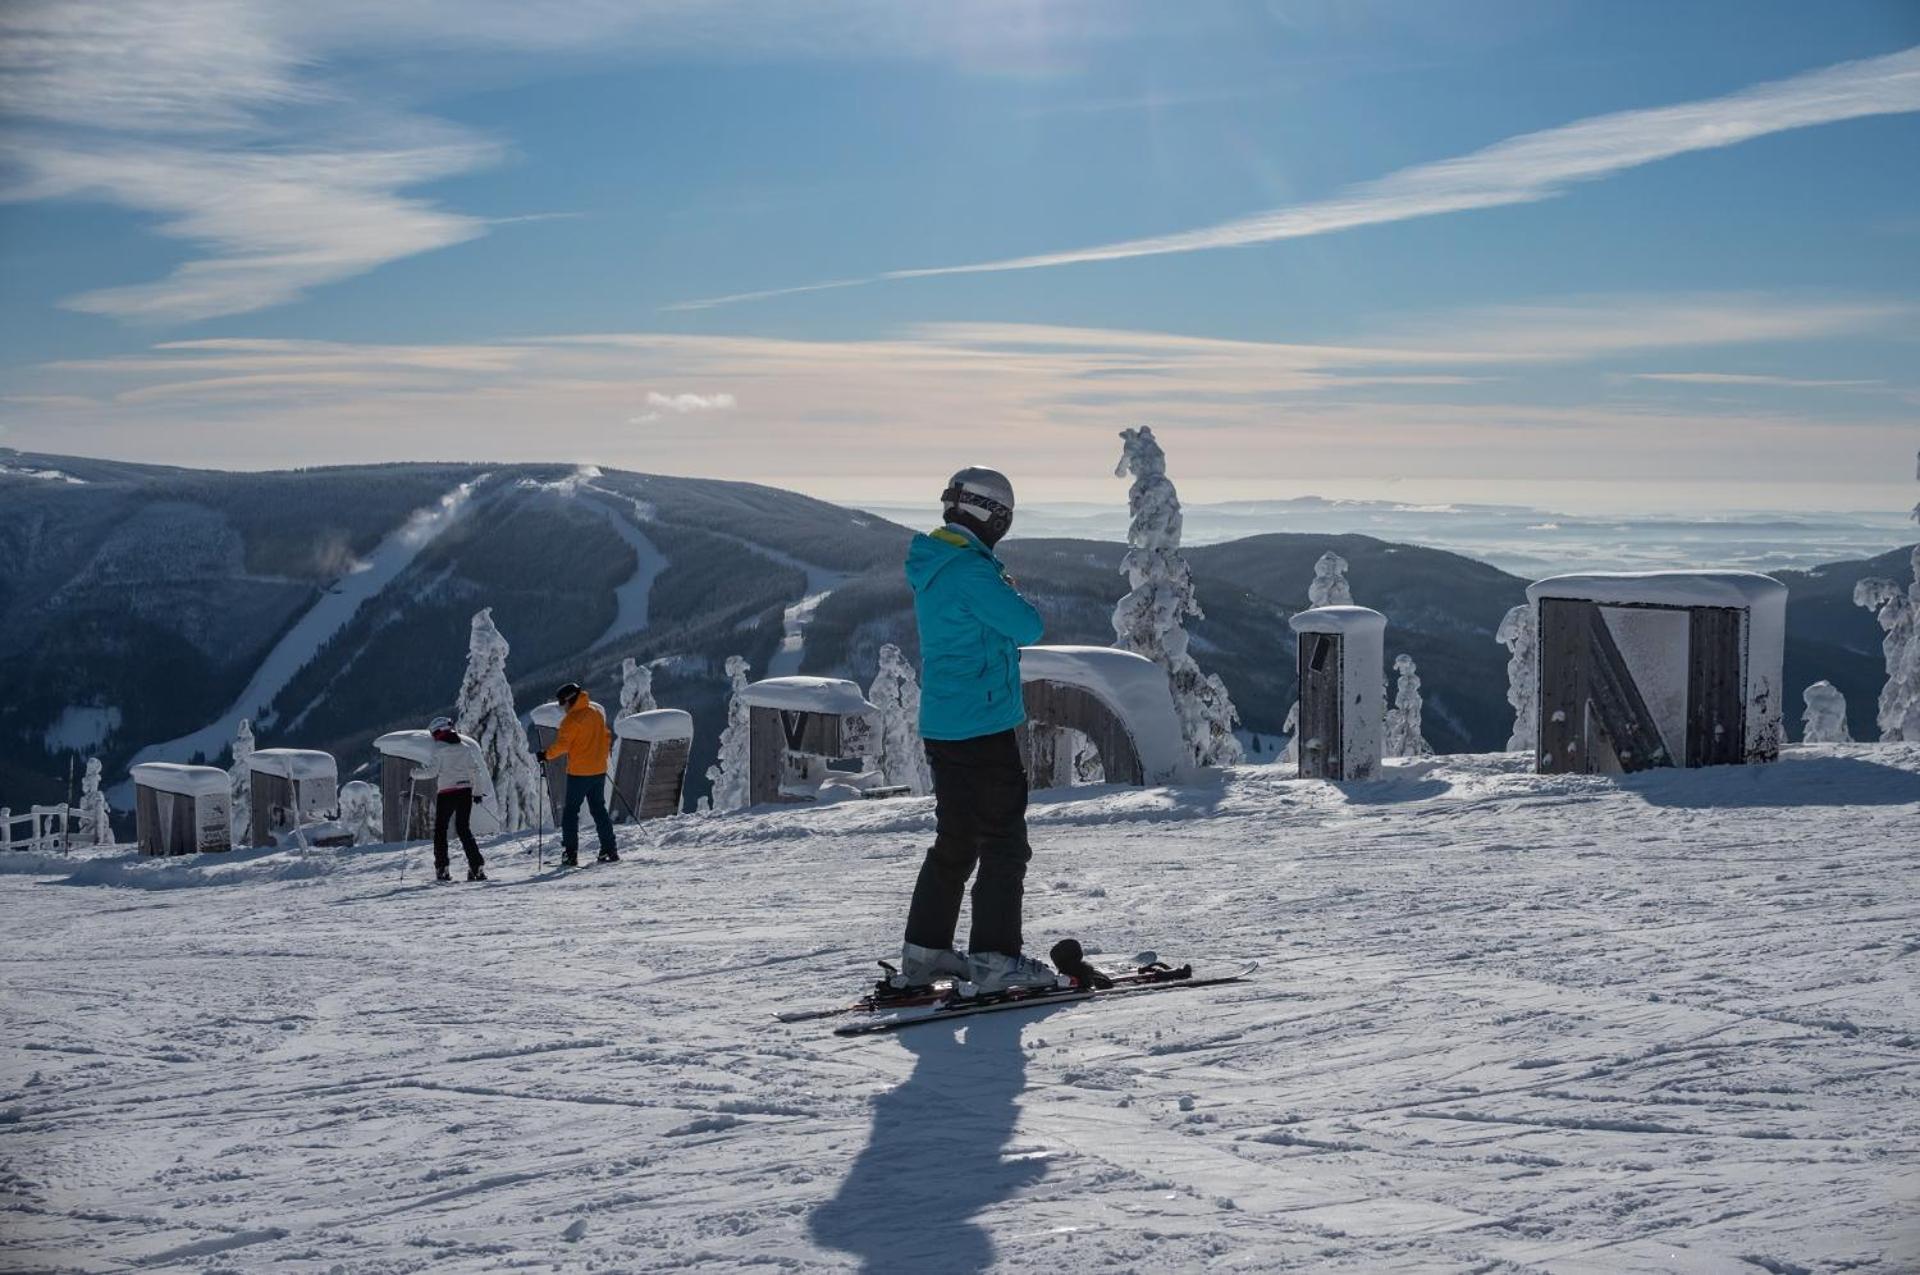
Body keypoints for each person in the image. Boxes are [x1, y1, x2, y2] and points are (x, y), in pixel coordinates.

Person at [898, 466, 1057, 995]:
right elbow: (1028, 626)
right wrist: (1004, 587)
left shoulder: (936, 564)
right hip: (984, 722)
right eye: (1004, 518)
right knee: (1004, 842)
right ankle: (994, 960)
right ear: (989, 514)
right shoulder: (970, 571)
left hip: (944, 723)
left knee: (957, 839)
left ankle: (925, 953)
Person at [537, 682, 617, 867]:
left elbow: (563, 746)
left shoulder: (571, 720)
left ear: (570, 700)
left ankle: (570, 854)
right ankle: (609, 848)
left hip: (579, 773)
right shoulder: (595, 713)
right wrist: (600, 757)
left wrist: (545, 755)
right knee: (599, 810)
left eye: (562, 703)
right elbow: (606, 736)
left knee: (571, 812)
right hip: (598, 770)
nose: (561, 707)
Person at [411, 716, 489, 882]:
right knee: (463, 829)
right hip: (465, 792)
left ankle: (442, 867)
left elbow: (431, 772)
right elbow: (476, 771)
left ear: (438, 733)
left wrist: (415, 774)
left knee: (441, 830)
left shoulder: (439, 749)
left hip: (447, 793)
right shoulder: (465, 748)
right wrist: (477, 792)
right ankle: (476, 866)